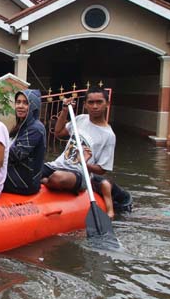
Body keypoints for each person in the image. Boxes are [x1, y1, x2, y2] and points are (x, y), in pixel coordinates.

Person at [41, 87, 116, 218]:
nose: (95, 106)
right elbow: (58, 132)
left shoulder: (109, 135)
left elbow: (102, 169)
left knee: (58, 178)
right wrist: (64, 111)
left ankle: (43, 180)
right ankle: (42, 179)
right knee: (29, 171)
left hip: (80, 174)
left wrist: (85, 163)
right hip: (57, 165)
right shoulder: (81, 119)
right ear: (85, 105)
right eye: (91, 103)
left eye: (99, 102)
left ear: (107, 104)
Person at [3, 90, 47, 195]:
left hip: (24, 182)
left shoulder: (35, 128)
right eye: (18, 102)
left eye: (25, 103)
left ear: (34, 105)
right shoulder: (22, 125)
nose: (20, 106)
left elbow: (15, 154)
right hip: (16, 174)